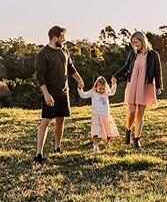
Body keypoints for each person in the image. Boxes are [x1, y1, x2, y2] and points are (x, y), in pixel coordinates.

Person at [34, 25, 84, 164]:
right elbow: (40, 77)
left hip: (64, 91)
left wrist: (79, 79)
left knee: (61, 119)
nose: (64, 39)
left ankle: (57, 147)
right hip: (50, 93)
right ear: (55, 37)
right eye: (62, 37)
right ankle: (39, 154)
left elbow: (71, 67)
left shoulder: (64, 50)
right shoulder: (42, 54)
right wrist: (46, 94)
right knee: (45, 122)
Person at [112, 31, 163, 149]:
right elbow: (125, 68)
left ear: (142, 40)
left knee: (140, 114)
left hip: (145, 86)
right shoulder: (133, 54)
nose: (135, 45)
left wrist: (159, 86)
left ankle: (136, 139)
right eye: (133, 43)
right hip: (132, 85)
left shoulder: (153, 55)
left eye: (136, 42)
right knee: (131, 111)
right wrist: (115, 76)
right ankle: (128, 130)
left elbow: (157, 71)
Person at [78, 76, 120, 153]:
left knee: (109, 131)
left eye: (103, 89)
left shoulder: (106, 92)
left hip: (106, 114)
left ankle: (107, 142)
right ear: (96, 87)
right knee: (95, 132)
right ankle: (95, 145)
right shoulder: (92, 92)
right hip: (96, 115)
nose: (102, 90)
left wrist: (114, 84)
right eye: (100, 89)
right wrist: (80, 89)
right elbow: (83, 95)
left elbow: (113, 92)